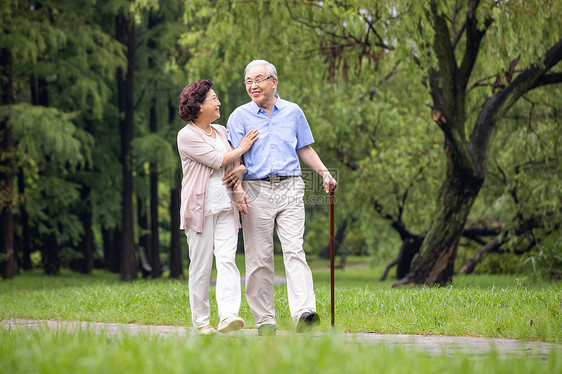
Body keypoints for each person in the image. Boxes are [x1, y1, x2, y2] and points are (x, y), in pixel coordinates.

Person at [227, 60, 338, 335]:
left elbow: (305, 148)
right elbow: (234, 158)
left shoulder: (293, 112)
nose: (253, 85)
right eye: (248, 81)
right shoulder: (239, 117)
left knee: (294, 250)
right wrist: (237, 189)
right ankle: (265, 320)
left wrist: (325, 174)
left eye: (259, 79)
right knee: (259, 258)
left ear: (273, 82)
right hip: (255, 189)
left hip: (290, 187)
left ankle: (304, 313)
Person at [177, 79, 259, 335]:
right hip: (199, 210)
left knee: (227, 260)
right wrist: (243, 148)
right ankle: (202, 321)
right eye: (213, 98)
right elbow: (217, 160)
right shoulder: (187, 135)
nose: (218, 102)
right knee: (201, 265)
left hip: (226, 206)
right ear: (199, 106)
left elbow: (235, 163)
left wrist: (242, 167)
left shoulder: (222, 131)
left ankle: (228, 316)